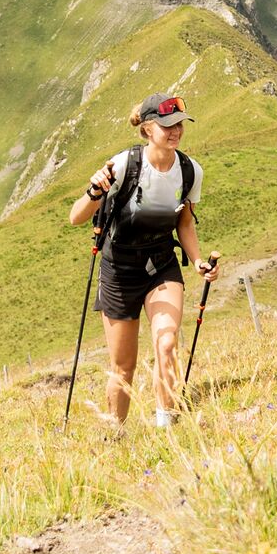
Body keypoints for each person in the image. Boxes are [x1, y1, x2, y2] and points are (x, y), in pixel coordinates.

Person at [69, 90, 217, 428]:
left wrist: (196, 262)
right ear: (148, 128)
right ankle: (114, 433)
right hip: (119, 271)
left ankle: (166, 424)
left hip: (160, 266)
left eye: (180, 124)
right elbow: (76, 217)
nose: (176, 131)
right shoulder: (123, 165)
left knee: (167, 342)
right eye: (168, 125)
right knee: (124, 367)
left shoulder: (190, 171)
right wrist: (94, 192)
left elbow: (185, 223)